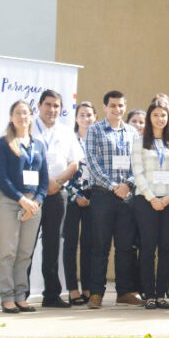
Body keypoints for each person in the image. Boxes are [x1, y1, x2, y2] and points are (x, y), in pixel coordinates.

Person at [84, 90, 141, 309]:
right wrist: (113, 186)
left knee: (125, 247)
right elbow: (92, 162)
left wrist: (127, 185)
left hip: (127, 196)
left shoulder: (132, 133)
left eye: (120, 105)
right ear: (105, 107)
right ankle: (96, 293)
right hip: (102, 195)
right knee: (100, 246)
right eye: (113, 105)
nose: (117, 109)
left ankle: (124, 292)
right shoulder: (95, 130)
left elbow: (138, 164)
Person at [0, 100, 49, 313]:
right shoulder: (3, 143)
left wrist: (36, 201)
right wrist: (21, 200)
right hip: (9, 202)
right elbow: (2, 178)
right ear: (11, 117)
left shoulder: (39, 145)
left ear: (31, 116)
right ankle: (7, 297)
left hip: (33, 204)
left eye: (26, 113)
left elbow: (44, 179)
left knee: (25, 253)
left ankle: (20, 295)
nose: (22, 117)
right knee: (8, 253)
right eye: (18, 113)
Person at [31, 90, 83, 308]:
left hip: (57, 193)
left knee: (52, 245)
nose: (52, 109)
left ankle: (51, 295)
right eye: (48, 104)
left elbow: (74, 163)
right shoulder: (28, 128)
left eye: (56, 106)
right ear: (39, 106)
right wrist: (44, 183)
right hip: (32, 194)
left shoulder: (65, 131)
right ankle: (19, 295)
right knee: (27, 245)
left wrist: (59, 181)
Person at [131, 102, 169, 309]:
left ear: (168, 118)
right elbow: (137, 172)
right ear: (149, 118)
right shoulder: (139, 142)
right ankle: (149, 294)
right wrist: (152, 198)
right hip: (146, 200)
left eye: (163, 115)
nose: (160, 119)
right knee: (148, 248)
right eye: (156, 115)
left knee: (167, 248)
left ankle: (161, 294)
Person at [62, 101, 96, 306]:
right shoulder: (69, 140)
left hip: (93, 198)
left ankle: (88, 287)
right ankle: (72, 288)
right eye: (82, 115)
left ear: (95, 117)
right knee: (70, 243)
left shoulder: (97, 141)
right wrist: (75, 196)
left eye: (89, 115)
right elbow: (63, 168)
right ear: (76, 118)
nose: (86, 119)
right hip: (72, 197)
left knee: (89, 244)